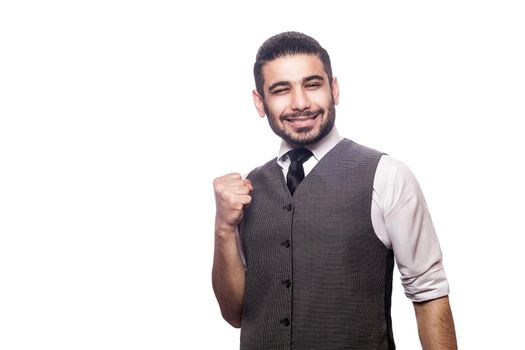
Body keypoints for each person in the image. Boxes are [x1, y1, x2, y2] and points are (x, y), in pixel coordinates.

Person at [212, 31, 457, 350]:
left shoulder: (387, 176)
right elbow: (235, 313)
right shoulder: (247, 189)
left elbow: (429, 295)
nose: (300, 103)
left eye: (312, 84)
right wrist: (223, 227)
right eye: (281, 90)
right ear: (260, 102)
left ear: (334, 89)